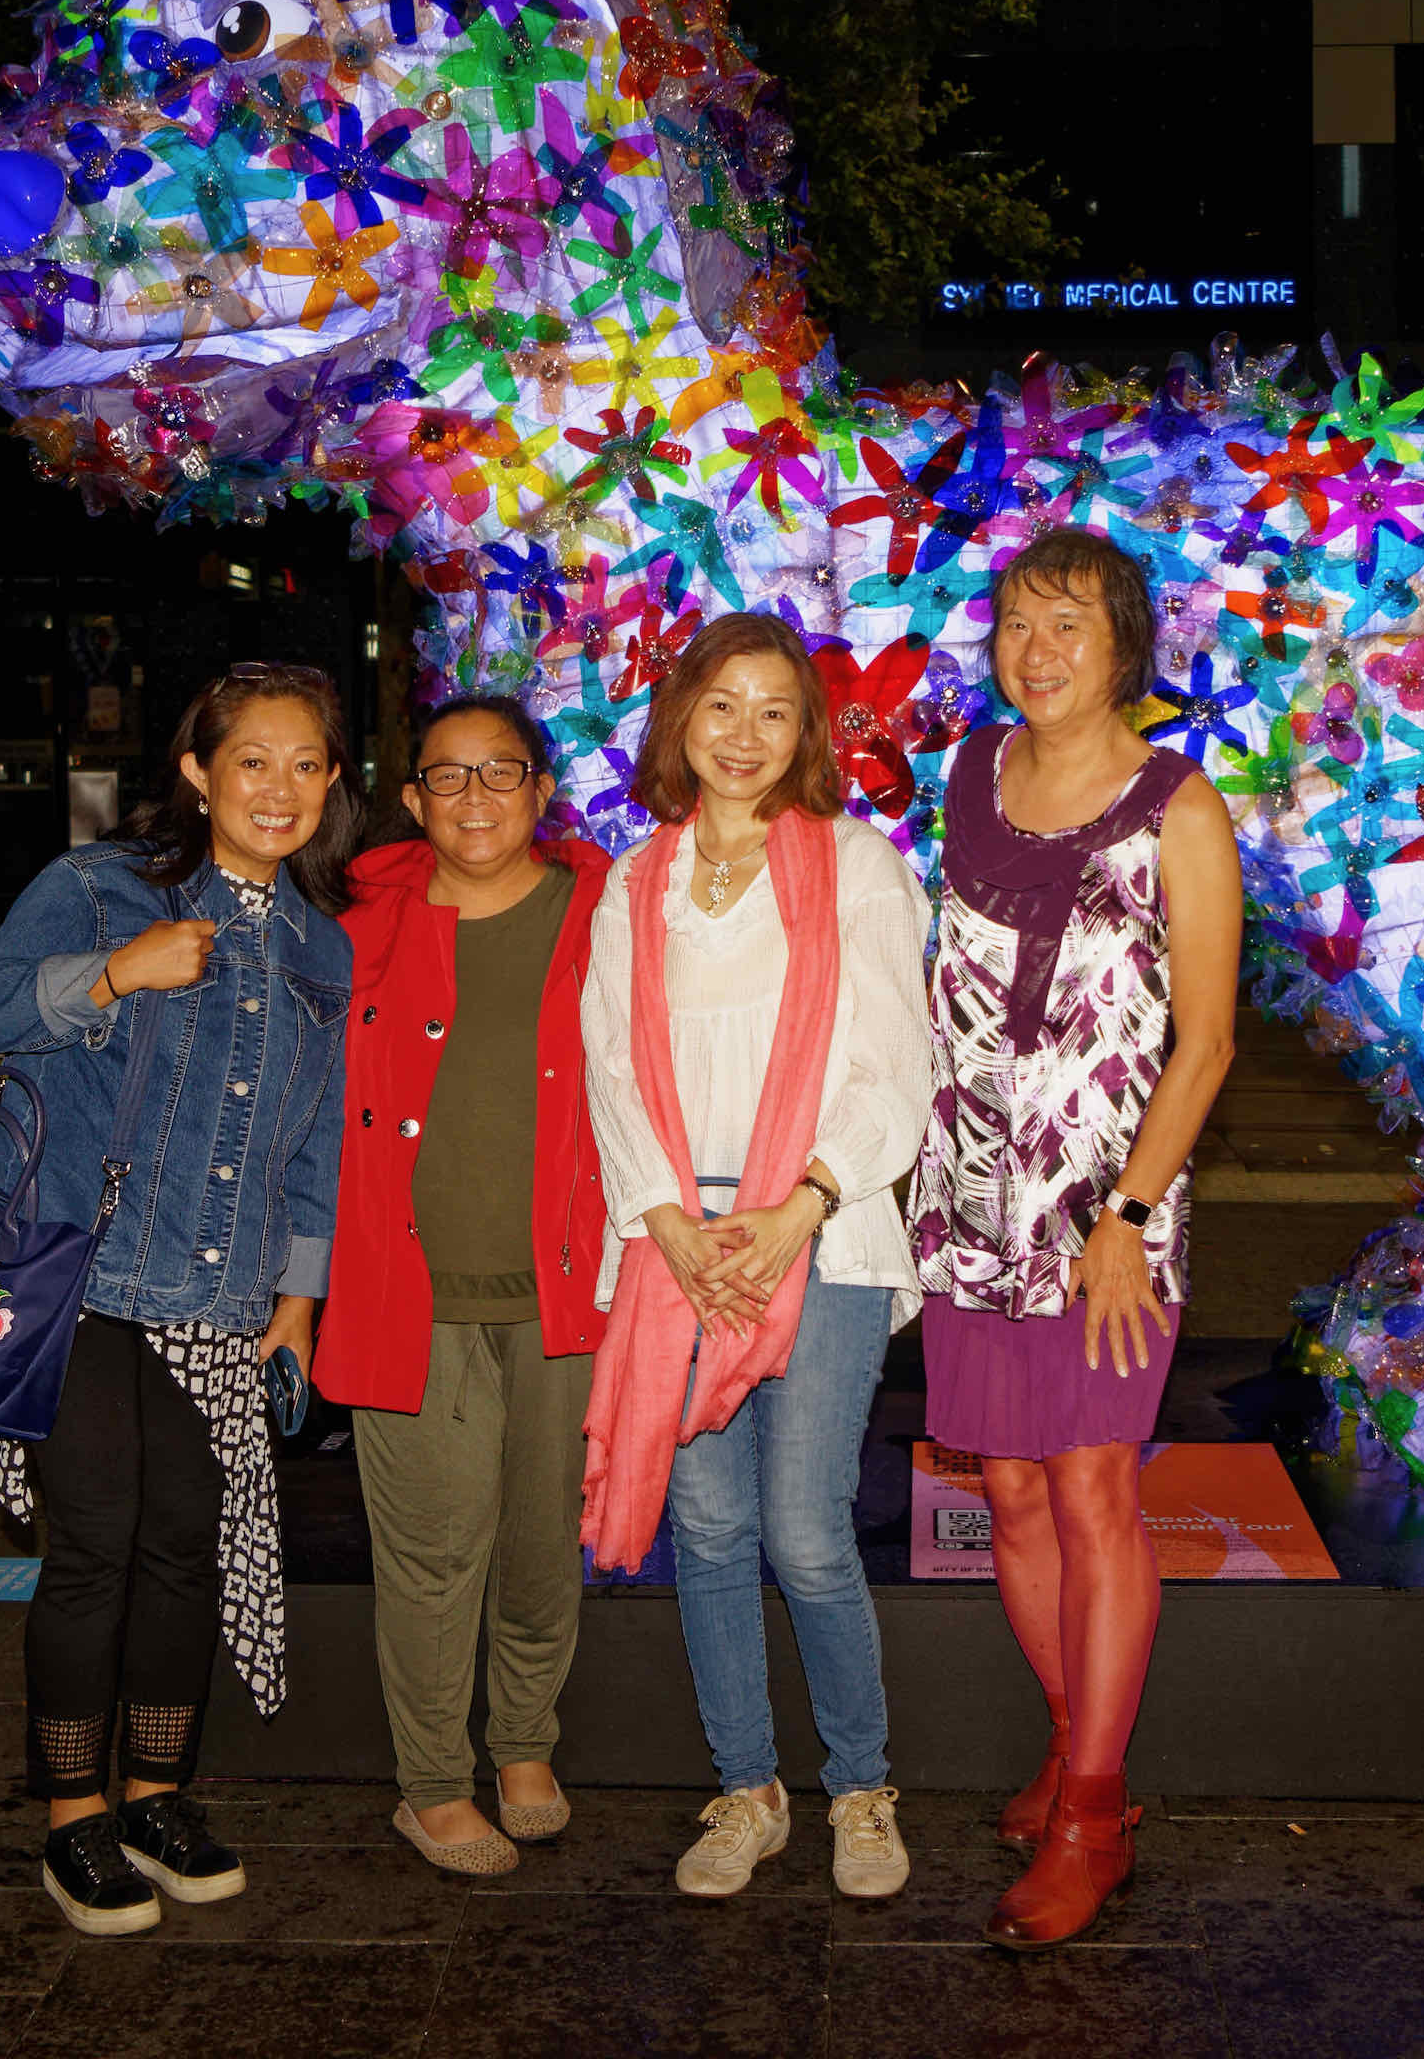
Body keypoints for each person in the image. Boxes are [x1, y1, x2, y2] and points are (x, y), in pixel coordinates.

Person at [0, 663, 359, 1937]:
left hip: (219, 1291)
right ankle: (73, 1821)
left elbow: (309, 1147)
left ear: (333, 781)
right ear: (197, 769)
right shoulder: (98, 887)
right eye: (252, 760)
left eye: (305, 764)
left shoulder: (316, 942)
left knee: (183, 1545)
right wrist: (113, 973)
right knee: (96, 1550)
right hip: (79, 1271)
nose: (277, 788)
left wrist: (296, 1304)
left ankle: (156, 1794)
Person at [909, 529, 1243, 1950]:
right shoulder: (965, 775)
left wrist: (1126, 1217)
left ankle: (1092, 1811)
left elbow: (1208, 1041)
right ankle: (1072, 1735)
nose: (1036, 653)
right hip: (968, 1198)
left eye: (1069, 627)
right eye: (1015, 625)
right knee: (1013, 1491)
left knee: (1095, 1487)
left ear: (1124, 649)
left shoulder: (1180, 807)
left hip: (1109, 1210)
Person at [578, 612, 933, 1903]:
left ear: (808, 732)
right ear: (681, 719)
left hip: (824, 1230)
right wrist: (672, 1226)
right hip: (678, 1241)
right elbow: (613, 1068)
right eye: (719, 706)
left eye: (773, 710)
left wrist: (796, 1208)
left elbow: (898, 1062)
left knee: (803, 1527)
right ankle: (746, 1788)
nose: (743, 735)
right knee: (711, 1525)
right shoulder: (636, 881)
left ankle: (860, 1786)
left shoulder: (857, 866)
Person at [312, 694, 610, 1875]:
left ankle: (525, 1741)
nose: (476, 797)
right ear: (411, 798)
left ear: (542, 789)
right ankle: (432, 1781)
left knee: (543, 1538)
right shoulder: (353, 924)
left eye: (502, 772)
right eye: (449, 776)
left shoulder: (606, 911)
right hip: (406, 1290)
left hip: (566, 1284)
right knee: (432, 1552)